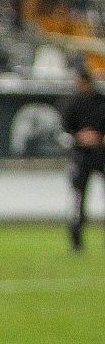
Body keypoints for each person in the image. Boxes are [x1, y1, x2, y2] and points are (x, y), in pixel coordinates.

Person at [61, 64, 105, 253]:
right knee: (78, 199)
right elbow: (64, 131)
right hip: (81, 156)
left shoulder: (101, 101)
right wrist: (78, 137)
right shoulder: (71, 104)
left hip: (101, 154)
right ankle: (76, 242)